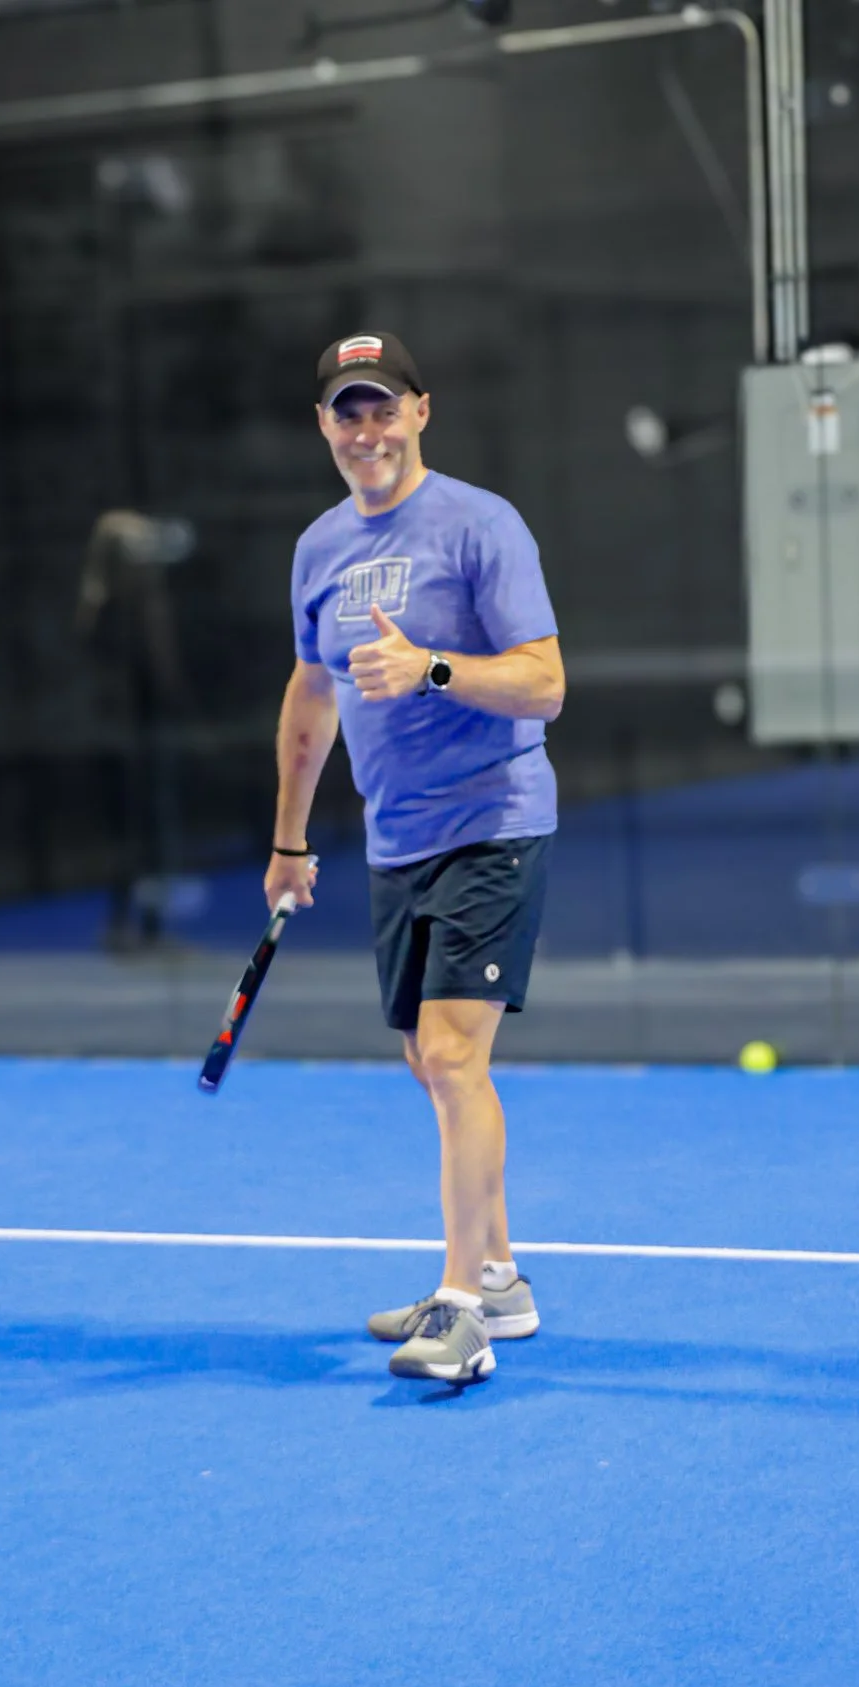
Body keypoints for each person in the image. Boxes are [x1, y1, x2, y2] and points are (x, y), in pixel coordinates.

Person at [264, 332, 564, 1385]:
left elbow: (545, 682)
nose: (367, 430)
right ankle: (505, 1278)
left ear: (421, 412)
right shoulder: (317, 549)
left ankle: (462, 1307)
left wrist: (432, 666)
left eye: (383, 408)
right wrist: (291, 838)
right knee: (427, 1063)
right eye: (348, 412)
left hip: (494, 818)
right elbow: (312, 697)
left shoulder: (482, 525)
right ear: (324, 427)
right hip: (396, 838)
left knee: (450, 1055)